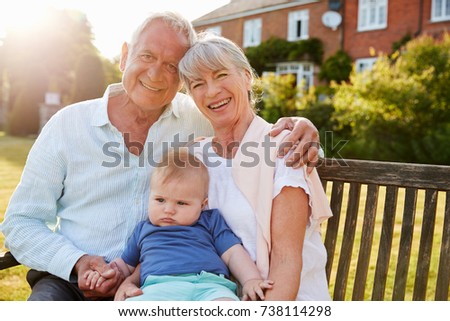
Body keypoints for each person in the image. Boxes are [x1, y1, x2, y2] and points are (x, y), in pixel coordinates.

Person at [1, 11, 321, 301]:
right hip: (71, 281)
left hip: (164, 283)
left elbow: (244, 122)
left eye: (171, 66)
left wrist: (305, 127)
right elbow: (21, 223)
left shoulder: (195, 121)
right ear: (125, 56)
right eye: (147, 56)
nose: (156, 74)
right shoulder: (67, 126)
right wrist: (76, 262)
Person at [115, 32, 333, 301]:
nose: (212, 91)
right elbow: (171, 237)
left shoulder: (284, 147)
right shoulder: (195, 157)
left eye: (220, 75)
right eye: (197, 84)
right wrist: (132, 280)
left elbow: (286, 260)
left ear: (246, 76)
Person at [84, 148, 273, 301]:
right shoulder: (144, 229)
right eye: (160, 200)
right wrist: (104, 274)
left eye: (181, 203)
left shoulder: (210, 221)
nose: (169, 210)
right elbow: (125, 265)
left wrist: (251, 280)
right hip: (157, 289)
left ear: (202, 204)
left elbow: (233, 254)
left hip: (210, 286)